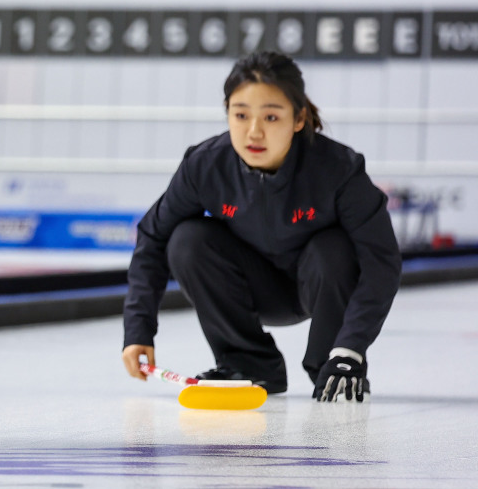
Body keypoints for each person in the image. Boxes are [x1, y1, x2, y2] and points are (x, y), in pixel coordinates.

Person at [121, 52, 401, 402]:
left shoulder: (338, 170)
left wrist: (351, 347)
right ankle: (248, 363)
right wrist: (138, 329)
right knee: (186, 239)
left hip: (318, 284)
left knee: (334, 247)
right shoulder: (205, 166)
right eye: (240, 115)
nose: (254, 132)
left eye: (271, 116)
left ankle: (331, 365)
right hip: (253, 286)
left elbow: (381, 262)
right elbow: (153, 235)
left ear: (299, 119)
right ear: (227, 113)